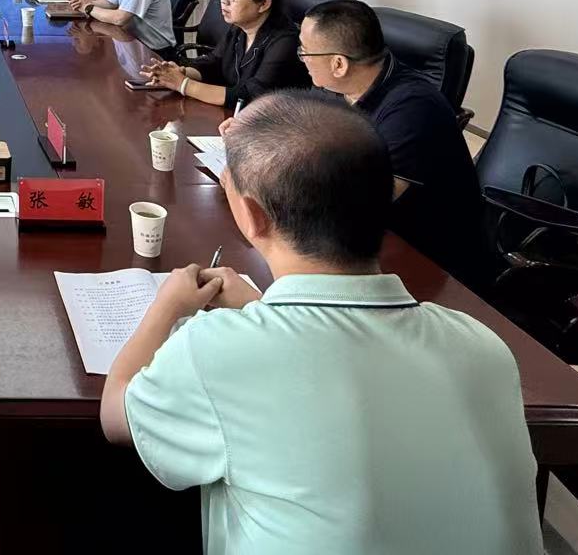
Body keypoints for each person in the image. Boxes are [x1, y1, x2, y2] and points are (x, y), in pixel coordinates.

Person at [100, 90, 543, 555]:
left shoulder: (215, 350)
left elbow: (116, 413)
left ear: (251, 215)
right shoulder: (482, 346)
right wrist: (260, 307)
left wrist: (168, 305)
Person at [299, 0, 498, 290]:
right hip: (368, 240)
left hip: (431, 264)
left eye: (305, 51)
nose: (302, 58)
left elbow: (366, 201)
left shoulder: (413, 108)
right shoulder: (338, 89)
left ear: (338, 64)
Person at [141, 0, 309, 108]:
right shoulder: (240, 28)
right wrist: (180, 72)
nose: (224, 0)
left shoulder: (286, 41)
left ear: (264, 3)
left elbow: (251, 96)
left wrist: (183, 84)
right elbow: (214, 63)